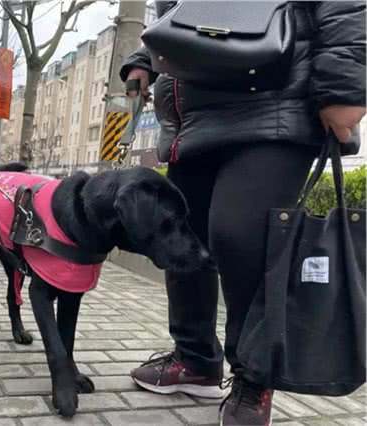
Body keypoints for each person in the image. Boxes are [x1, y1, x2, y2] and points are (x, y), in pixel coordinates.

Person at [121, 1, 366, 425]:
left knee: (240, 236)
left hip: (274, 100)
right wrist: (146, 58)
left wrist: (345, 86)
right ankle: (195, 359)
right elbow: (183, 10)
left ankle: (254, 377)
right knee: (182, 240)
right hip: (193, 113)